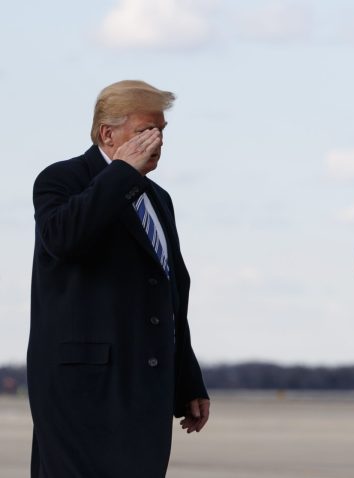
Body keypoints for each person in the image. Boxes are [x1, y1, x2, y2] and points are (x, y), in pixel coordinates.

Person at [29, 80, 210, 477]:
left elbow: (170, 293)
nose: (157, 140)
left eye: (162, 130)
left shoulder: (158, 198)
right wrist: (122, 174)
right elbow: (63, 239)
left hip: (145, 390)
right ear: (107, 133)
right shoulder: (61, 180)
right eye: (146, 130)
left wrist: (187, 380)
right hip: (82, 391)